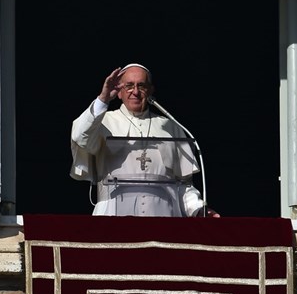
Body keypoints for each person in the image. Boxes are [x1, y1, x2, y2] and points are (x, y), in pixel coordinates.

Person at [70, 63, 219, 217]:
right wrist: (103, 99)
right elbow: (80, 136)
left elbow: (183, 183)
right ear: (119, 92)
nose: (135, 92)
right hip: (112, 214)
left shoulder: (170, 126)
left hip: (164, 215)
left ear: (150, 90)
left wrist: (198, 209)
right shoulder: (102, 122)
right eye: (128, 86)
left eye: (141, 86)